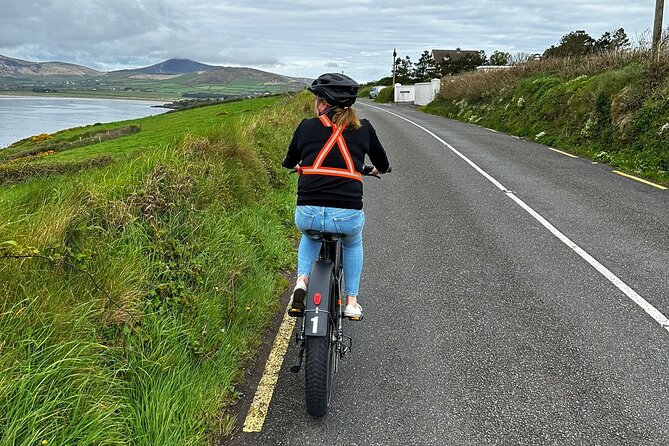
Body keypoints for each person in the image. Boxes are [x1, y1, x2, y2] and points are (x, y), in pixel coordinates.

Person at [282, 73, 390, 320]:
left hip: (307, 212)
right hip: (346, 215)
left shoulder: (306, 126)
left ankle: (301, 281)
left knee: (310, 235)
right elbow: (382, 163)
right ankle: (351, 301)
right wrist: (372, 170)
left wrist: (298, 164)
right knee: (353, 242)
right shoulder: (364, 128)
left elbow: (289, 160)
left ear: (322, 103)